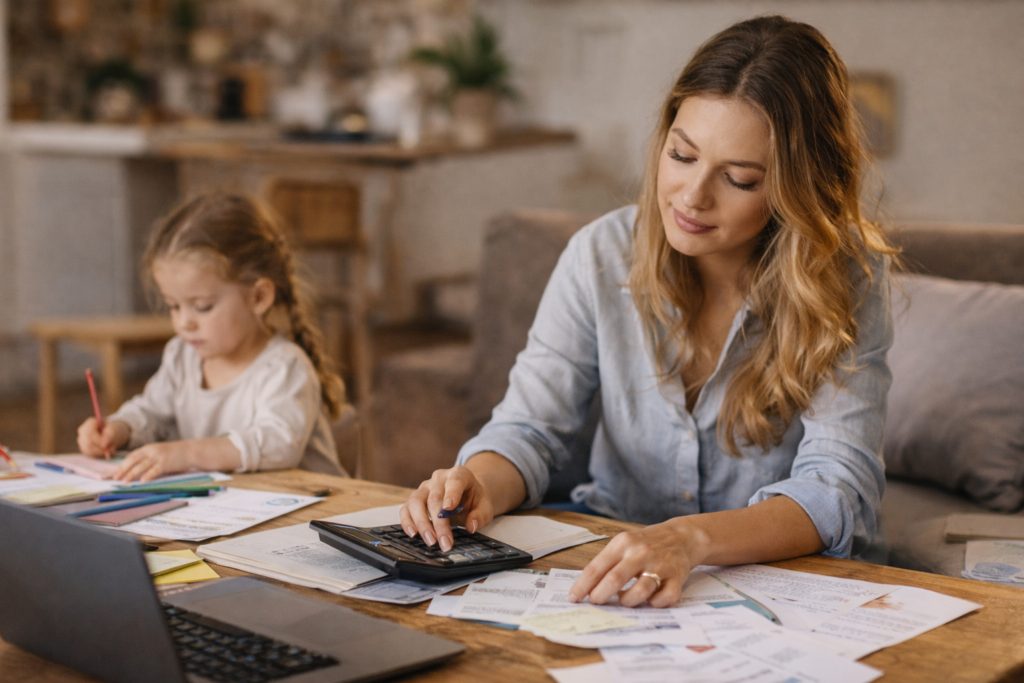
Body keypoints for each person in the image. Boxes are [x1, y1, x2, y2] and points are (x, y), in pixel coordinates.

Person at [400, 15, 898, 608]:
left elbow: (837, 488)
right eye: (682, 155)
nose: (692, 196)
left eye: (740, 179)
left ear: (799, 189)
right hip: (613, 572)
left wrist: (690, 539)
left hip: (780, 586)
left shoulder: (847, 276)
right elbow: (529, 429)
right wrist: (477, 481)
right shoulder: (600, 254)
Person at [77, 193, 348, 482]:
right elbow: (153, 414)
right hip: (235, 505)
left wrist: (188, 453)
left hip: (314, 505)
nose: (184, 322)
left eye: (203, 306)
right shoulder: (182, 356)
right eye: (174, 306)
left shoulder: (284, 366)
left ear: (258, 297)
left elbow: (279, 445)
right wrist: (119, 429)